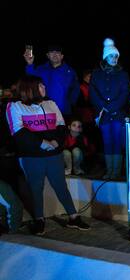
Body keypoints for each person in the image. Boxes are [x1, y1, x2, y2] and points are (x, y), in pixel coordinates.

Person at [6, 75, 90, 235]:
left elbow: (60, 125)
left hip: (54, 154)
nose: (44, 88)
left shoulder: (51, 103)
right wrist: (42, 143)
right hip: (32, 157)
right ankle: (39, 220)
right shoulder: (14, 106)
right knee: (36, 189)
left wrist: (57, 142)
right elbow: (17, 130)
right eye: (40, 86)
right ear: (29, 89)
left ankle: (73, 217)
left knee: (61, 186)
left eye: (44, 86)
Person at [89, 38, 130, 180]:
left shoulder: (123, 74)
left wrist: (112, 107)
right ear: (106, 56)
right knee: (107, 141)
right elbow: (92, 92)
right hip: (103, 114)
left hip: (118, 113)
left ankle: (116, 172)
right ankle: (109, 170)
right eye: (112, 56)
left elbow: (125, 93)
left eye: (116, 56)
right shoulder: (96, 73)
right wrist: (103, 106)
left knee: (117, 141)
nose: (114, 58)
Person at [23, 44, 80, 121]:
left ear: (62, 56)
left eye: (57, 52)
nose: (55, 54)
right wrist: (30, 64)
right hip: (44, 110)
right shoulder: (41, 69)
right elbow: (30, 79)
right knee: (47, 132)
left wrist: (71, 104)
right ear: (48, 55)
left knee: (62, 132)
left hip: (63, 111)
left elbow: (75, 89)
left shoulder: (70, 71)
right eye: (52, 52)